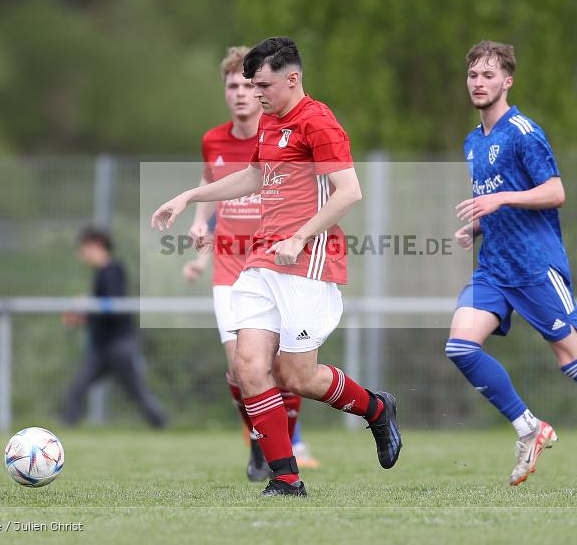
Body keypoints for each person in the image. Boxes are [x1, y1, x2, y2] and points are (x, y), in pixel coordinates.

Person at [154, 36, 401, 497]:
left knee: (297, 377)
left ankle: (375, 409)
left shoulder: (319, 122)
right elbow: (252, 176)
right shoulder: (270, 121)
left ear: (293, 78)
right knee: (248, 368)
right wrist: (190, 197)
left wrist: (301, 235)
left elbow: (350, 191)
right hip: (261, 261)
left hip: (307, 263)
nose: (256, 94)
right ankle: (286, 479)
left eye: (263, 84)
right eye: (250, 84)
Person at [448, 40, 577, 487]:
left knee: (572, 360)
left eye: (488, 75)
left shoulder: (523, 131)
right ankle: (529, 428)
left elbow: (555, 191)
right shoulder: (473, 141)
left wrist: (500, 197)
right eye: (473, 75)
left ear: (507, 81)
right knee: (460, 346)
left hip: (535, 266)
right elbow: (498, 202)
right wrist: (477, 227)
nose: (479, 83)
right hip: (494, 268)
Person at [181, 46, 318, 481]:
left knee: (283, 371)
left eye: (248, 85)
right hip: (228, 266)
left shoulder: (281, 130)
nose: (241, 94)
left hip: (275, 261)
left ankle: (283, 446)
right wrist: (200, 224)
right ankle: (261, 442)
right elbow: (210, 183)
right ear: (224, 92)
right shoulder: (213, 140)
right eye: (233, 86)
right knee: (241, 369)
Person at [61, 225, 168, 428]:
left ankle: (161, 424)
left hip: (119, 345)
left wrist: (87, 303)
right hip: (102, 348)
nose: (81, 254)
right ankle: (66, 430)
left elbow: (113, 304)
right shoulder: (101, 272)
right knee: (77, 388)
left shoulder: (112, 270)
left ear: (97, 245)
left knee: (136, 390)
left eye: (83, 248)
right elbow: (102, 310)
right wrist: (84, 314)